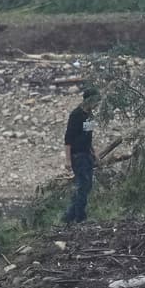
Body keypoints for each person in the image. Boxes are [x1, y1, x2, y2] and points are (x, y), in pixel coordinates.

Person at [63, 88, 100, 223]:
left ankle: (69, 216)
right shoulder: (76, 115)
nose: (97, 104)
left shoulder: (90, 116)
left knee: (87, 185)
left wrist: (94, 153)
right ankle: (79, 217)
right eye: (95, 101)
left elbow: (88, 136)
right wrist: (68, 160)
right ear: (89, 100)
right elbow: (68, 139)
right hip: (77, 156)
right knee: (83, 184)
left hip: (87, 154)